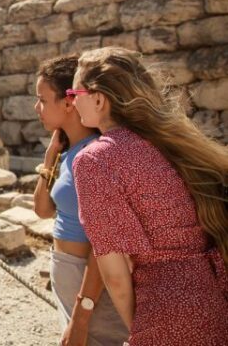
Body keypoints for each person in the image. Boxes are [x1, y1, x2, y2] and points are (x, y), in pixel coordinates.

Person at [70, 47, 228, 346]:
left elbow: (115, 275)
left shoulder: (95, 160)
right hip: (214, 293)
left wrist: (140, 329)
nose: (72, 101)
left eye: (73, 92)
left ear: (99, 99)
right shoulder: (171, 142)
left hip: (167, 308)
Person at [32, 55, 127, 346]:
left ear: (69, 102)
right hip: (67, 270)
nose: (37, 108)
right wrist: (50, 159)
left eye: (43, 100)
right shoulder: (68, 152)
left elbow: (104, 245)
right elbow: (43, 210)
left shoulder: (95, 155)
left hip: (90, 282)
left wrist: (82, 315)